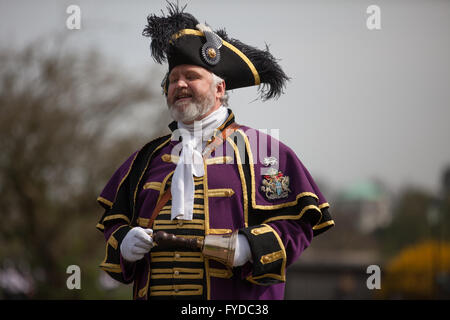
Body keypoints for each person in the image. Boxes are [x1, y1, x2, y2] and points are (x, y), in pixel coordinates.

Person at [96, 3, 334, 300]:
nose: (179, 84)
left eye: (191, 76)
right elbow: (114, 224)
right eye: (173, 79)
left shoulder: (265, 153)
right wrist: (124, 243)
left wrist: (251, 247)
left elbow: (298, 226)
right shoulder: (146, 158)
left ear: (219, 89)